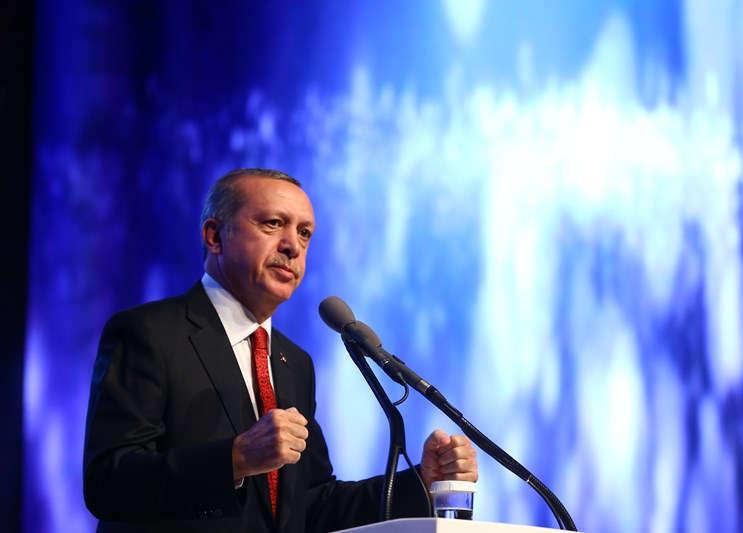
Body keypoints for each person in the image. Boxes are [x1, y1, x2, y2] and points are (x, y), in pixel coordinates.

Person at [83, 168, 478, 532]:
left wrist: (421, 484)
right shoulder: (149, 333)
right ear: (215, 236)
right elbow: (108, 482)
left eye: (305, 233)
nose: (293, 246)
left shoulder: (294, 363)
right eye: (273, 223)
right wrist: (235, 459)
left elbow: (312, 505)